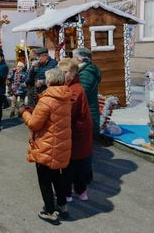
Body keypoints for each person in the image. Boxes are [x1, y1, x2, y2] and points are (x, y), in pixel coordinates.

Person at [20, 68, 71, 225]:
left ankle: (49, 211)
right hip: (60, 142)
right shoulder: (66, 97)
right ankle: (62, 205)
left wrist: (24, 113)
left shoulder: (47, 99)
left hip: (46, 144)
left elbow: (35, 124)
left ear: (50, 81)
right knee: (56, 176)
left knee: (44, 179)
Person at [58, 58, 93, 202]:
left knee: (71, 164)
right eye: (60, 71)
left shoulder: (75, 90)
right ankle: (80, 191)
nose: (61, 74)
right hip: (79, 132)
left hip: (77, 133)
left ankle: (68, 193)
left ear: (72, 72)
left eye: (64, 72)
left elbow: (67, 111)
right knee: (78, 163)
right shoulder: (72, 86)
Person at [73, 48, 101, 138]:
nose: (72, 59)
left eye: (73, 57)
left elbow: (82, 92)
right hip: (86, 110)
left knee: (89, 145)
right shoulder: (83, 70)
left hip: (88, 112)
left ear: (80, 59)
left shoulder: (87, 73)